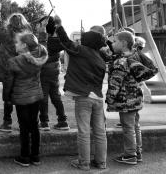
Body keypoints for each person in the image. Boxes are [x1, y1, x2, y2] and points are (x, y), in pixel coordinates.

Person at [54, 16, 108, 171]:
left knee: (84, 131)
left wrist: (59, 25)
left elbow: (65, 41)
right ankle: (101, 162)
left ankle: (84, 163)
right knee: (100, 132)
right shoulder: (101, 57)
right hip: (98, 98)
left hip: (84, 97)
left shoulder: (81, 50)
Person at [106, 31, 157, 165]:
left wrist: (110, 99)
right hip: (135, 100)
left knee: (128, 127)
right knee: (135, 126)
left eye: (115, 41)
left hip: (125, 101)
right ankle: (137, 152)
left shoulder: (121, 62)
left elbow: (115, 83)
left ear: (123, 44)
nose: (113, 44)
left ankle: (130, 155)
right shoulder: (134, 58)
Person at [4, 33, 47, 167]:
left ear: (24, 46)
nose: (15, 44)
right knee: (34, 125)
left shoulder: (14, 61)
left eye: (17, 42)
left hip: (21, 97)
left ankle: (24, 156)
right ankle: (36, 156)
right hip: (36, 96)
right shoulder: (40, 57)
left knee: (24, 126)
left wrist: (7, 97)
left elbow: (8, 83)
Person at [0, 3, 33, 132]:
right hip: (23, 69)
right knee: (23, 96)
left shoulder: (5, 34)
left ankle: (7, 122)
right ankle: (25, 123)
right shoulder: (28, 36)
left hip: (8, 69)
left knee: (8, 96)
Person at [37, 16, 69, 131]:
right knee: (56, 96)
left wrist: (42, 29)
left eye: (39, 25)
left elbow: (42, 47)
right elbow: (65, 40)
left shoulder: (45, 41)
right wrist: (59, 26)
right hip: (54, 72)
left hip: (44, 72)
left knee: (43, 97)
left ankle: (44, 122)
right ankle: (62, 120)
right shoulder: (57, 41)